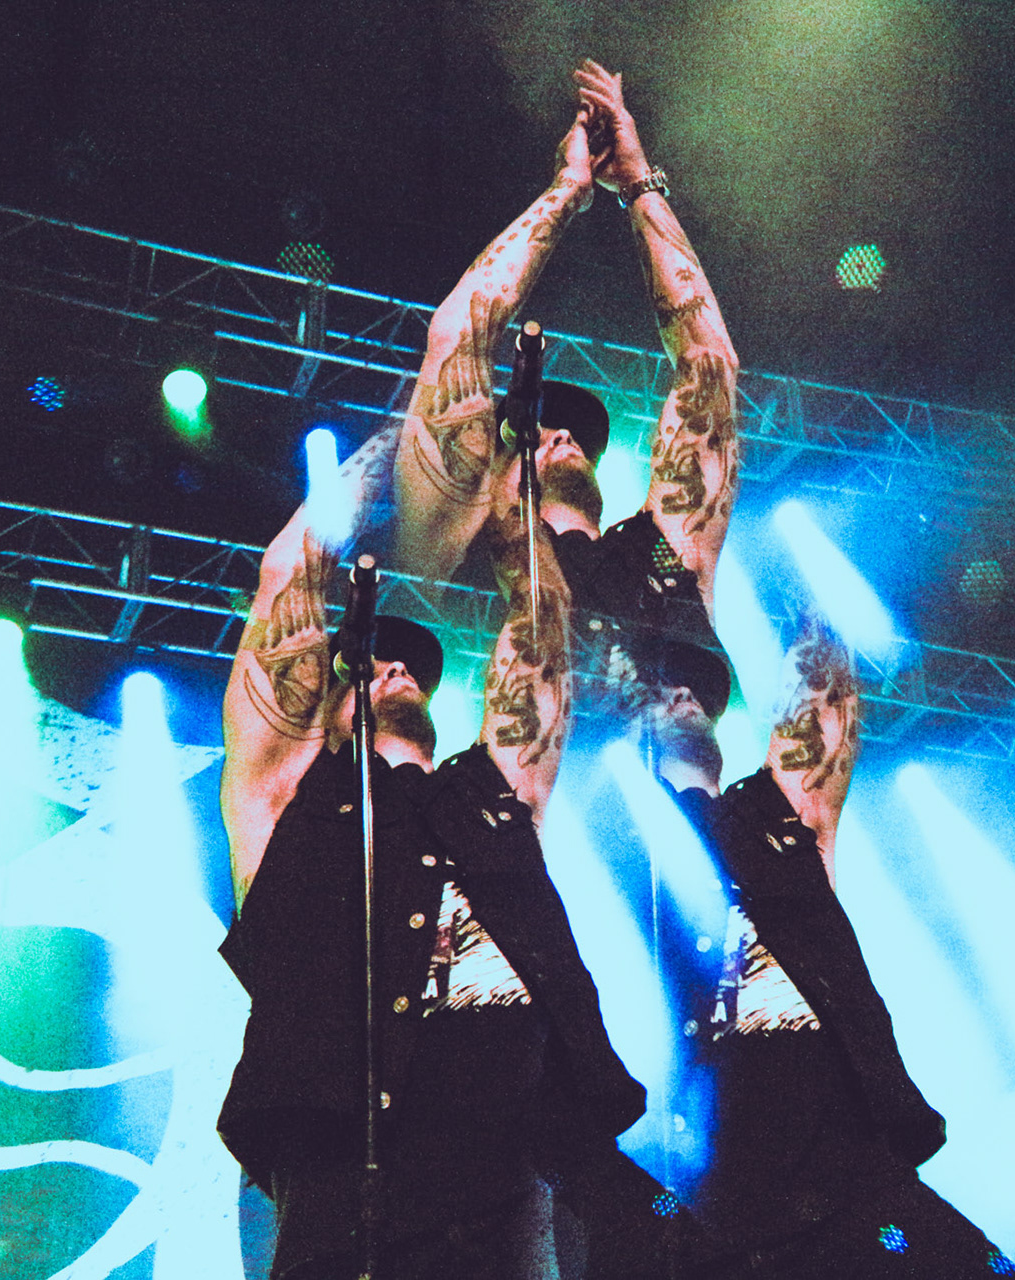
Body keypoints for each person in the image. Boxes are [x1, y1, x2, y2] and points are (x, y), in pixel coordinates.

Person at [215, 430, 654, 1278]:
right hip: (349, 1201)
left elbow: (543, 634)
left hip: (515, 1186)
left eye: (411, 669)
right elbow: (287, 581)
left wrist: (506, 507)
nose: (393, 673)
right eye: (366, 667)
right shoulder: (287, 807)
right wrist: (399, 447)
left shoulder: (493, 794)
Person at [628, 622, 1015, 1280]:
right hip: (703, 1194)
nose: (681, 696)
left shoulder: (767, 815)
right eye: (657, 690)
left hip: (847, 1174)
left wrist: (778, 612)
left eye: (693, 689)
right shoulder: (611, 843)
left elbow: (824, 707)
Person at [392, 60, 741, 688]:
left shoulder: (662, 553)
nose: (562, 435)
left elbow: (709, 364)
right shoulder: (461, 548)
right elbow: (460, 334)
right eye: (535, 431)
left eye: (579, 435)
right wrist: (569, 188)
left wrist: (638, 183)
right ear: (491, 465)